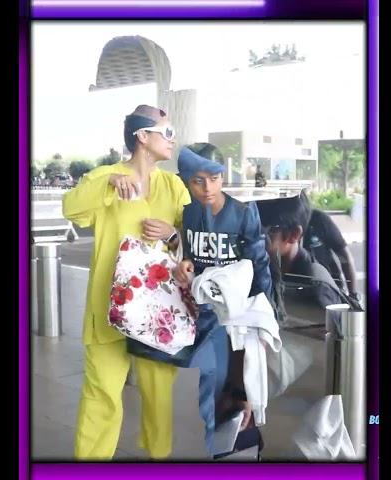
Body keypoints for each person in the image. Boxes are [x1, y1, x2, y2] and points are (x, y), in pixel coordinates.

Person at [62, 104, 191, 460]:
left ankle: (158, 460)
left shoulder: (173, 185)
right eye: (166, 132)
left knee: (158, 397)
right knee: (101, 393)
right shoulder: (104, 177)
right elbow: (71, 208)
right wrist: (108, 183)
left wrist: (173, 233)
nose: (172, 138)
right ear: (142, 136)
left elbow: (193, 236)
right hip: (109, 308)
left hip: (160, 313)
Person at [172, 143, 273, 452]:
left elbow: (259, 268)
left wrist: (266, 315)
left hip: (238, 319)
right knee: (212, 395)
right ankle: (221, 451)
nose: (208, 188)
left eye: (214, 178)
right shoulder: (187, 213)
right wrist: (183, 264)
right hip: (201, 315)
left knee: (240, 395)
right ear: (186, 181)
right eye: (198, 181)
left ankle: (241, 450)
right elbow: (186, 255)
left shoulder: (243, 213)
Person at [299, 191, 360, 301]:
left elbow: (345, 257)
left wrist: (353, 295)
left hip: (330, 288)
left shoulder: (319, 219)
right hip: (298, 289)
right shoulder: (282, 226)